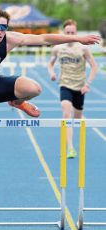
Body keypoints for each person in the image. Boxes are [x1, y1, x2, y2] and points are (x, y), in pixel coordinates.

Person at [0, 7, 100, 188]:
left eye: (3, 27)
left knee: (34, 89)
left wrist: (78, 39)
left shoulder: (10, 39)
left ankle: (17, 102)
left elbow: (44, 39)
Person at [48, 19, 97, 159]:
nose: (70, 34)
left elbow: (94, 66)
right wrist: (51, 73)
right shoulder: (57, 48)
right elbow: (50, 64)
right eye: (68, 32)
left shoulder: (83, 48)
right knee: (66, 113)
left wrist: (88, 84)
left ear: (76, 33)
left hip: (80, 87)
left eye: (73, 32)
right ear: (64, 32)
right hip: (65, 85)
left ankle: (74, 142)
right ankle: (70, 147)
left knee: (77, 119)